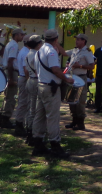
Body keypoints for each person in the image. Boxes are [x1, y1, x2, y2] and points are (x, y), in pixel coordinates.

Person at [32, 29, 72, 158]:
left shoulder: (39, 51)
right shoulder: (51, 52)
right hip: (51, 87)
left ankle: (38, 143)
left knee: (39, 116)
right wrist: (66, 79)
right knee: (52, 117)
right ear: (56, 39)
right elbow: (55, 69)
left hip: (41, 85)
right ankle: (55, 145)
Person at [65, 33, 95, 131]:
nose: (76, 41)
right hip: (72, 77)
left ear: (83, 41)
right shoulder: (75, 50)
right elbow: (64, 53)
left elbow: (92, 66)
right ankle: (74, 121)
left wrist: (80, 66)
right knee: (71, 100)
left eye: (78, 39)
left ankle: (81, 123)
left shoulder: (87, 52)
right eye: (76, 39)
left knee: (80, 101)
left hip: (81, 78)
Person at [0, 28, 24, 130]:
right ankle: (6, 119)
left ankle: (2, 118)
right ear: (16, 35)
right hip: (11, 71)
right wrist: (11, 78)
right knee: (11, 97)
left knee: (7, 96)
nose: (22, 37)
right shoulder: (14, 45)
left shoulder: (10, 44)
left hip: (9, 71)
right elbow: (10, 61)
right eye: (21, 35)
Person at [24, 35, 43, 145]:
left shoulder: (28, 54)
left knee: (30, 108)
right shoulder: (37, 55)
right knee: (34, 110)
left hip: (30, 80)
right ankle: (32, 134)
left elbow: (26, 70)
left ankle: (28, 131)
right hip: (36, 80)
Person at [13, 33, 32, 137]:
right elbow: (26, 70)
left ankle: (20, 124)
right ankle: (19, 125)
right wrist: (29, 81)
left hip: (23, 77)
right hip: (25, 78)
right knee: (24, 103)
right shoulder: (26, 53)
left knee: (24, 102)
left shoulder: (24, 51)